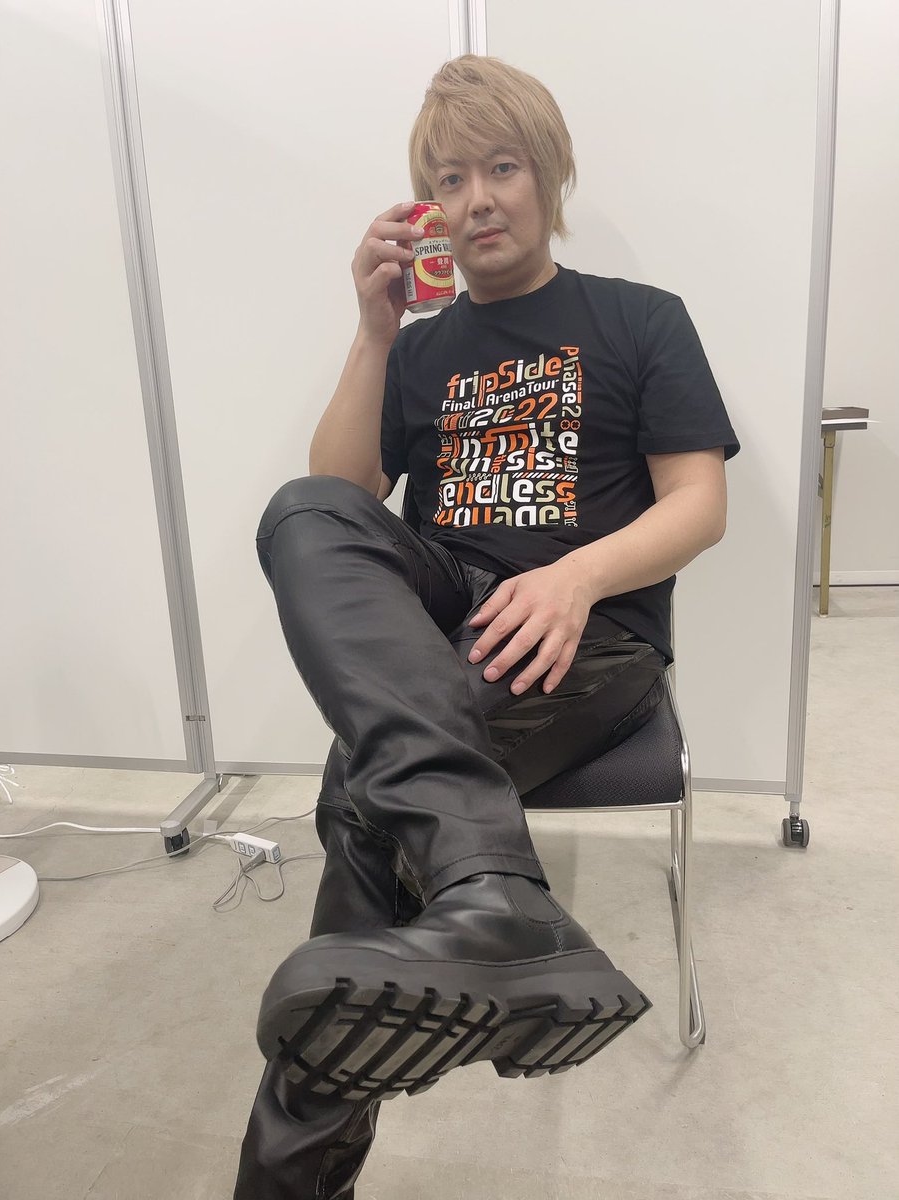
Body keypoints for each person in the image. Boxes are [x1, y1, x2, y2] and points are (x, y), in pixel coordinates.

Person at [234, 54, 739, 1199]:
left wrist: (575, 577)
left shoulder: (640, 319)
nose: (477, 201)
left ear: (549, 175)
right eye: (449, 180)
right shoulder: (421, 349)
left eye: (501, 168)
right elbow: (347, 501)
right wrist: (373, 333)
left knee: (362, 809)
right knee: (301, 509)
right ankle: (497, 899)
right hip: (444, 629)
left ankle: (291, 1174)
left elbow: (699, 503)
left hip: (587, 636)